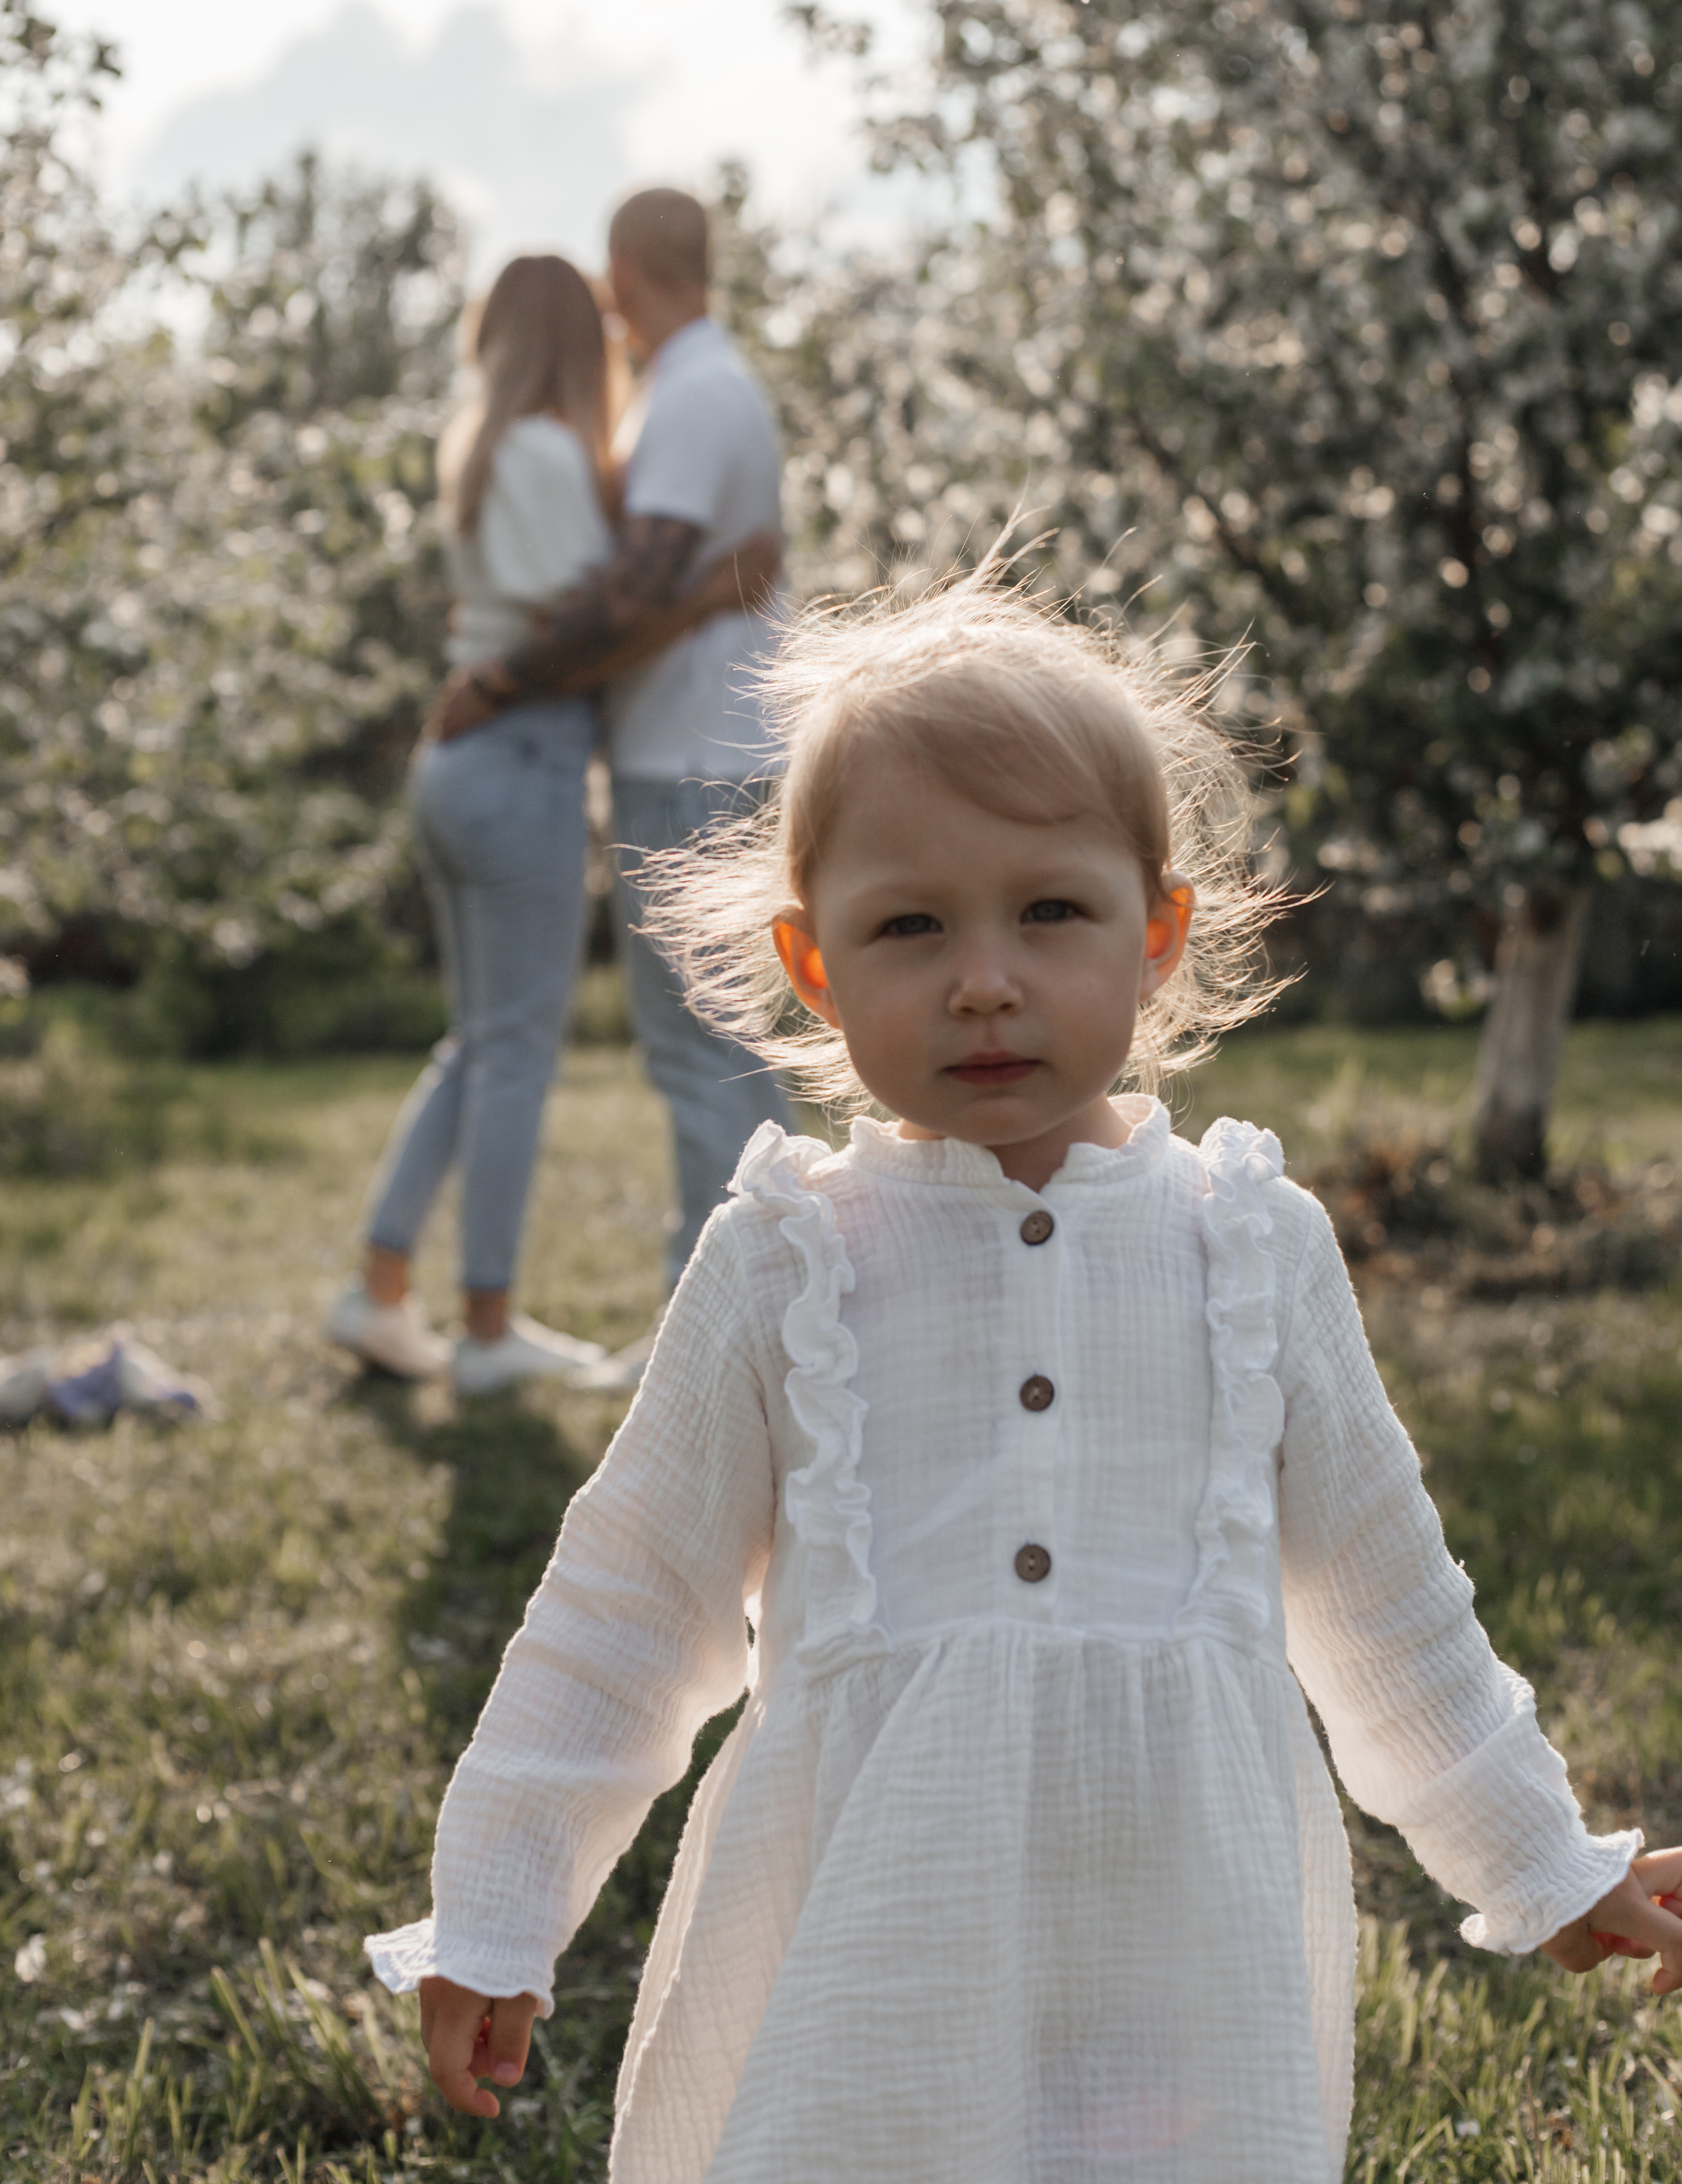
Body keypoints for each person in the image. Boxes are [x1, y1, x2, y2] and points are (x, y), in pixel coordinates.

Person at [365, 570, 1681, 2180]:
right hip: (870, 1945)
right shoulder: (792, 1261)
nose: (981, 978)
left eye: (1046, 912)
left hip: (1175, 1952)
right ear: (815, 966)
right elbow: (624, 1608)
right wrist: (498, 1911)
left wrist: (1543, 1864)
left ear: (1155, 935)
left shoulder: (1246, 1252)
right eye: (909, 925)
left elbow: (1390, 1607)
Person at [329, 253, 777, 1394]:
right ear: (574, 343)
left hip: (465, 767)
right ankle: (485, 1330)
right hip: (519, 764)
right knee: (518, 1052)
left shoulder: (485, 443)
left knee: (478, 1043)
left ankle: (379, 1288)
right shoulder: (542, 453)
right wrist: (724, 580)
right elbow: (606, 616)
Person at [432, 186, 792, 1299]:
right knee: (708, 1050)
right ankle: (741, 1302)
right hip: (690, 753)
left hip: (688, 763)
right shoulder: (698, 388)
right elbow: (665, 587)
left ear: (626, 272)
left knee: (702, 1057)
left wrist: (495, 681)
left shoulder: (688, 399)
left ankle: (748, 1309)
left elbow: (632, 598)